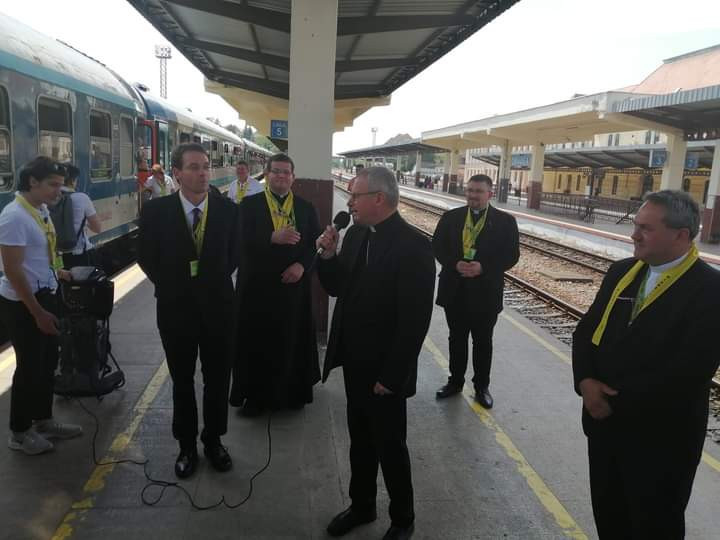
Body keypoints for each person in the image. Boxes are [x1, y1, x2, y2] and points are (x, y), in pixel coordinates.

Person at [572, 190, 720, 539]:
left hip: (660, 440)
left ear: (681, 235)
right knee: (610, 517)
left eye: (646, 229)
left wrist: (610, 402)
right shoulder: (623, 271)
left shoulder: (710, 290)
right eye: (636, 225)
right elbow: (586, 331)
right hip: (604, 428)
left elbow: (689, 371)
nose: (633, 235)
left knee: (655, 525)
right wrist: (586, 382)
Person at [316, 166, 435, 540]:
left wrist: (392, 375)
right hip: (355, 360)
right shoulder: (355, 236)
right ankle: (362, 505)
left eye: (356, 195)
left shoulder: (414, 247)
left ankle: (402, 518)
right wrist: (328, 256)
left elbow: (414, 322)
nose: (349, 202)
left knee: (390, 444)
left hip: (385, 370)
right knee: (360, 440)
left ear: (379, 199)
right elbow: (338, 288)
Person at [138, 143, 240, 479]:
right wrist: (173, 285)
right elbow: (146, 256)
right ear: (177, 173)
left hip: (219, 308)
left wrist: (210, 282)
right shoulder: (156, 212)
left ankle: (214, 440)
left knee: (217, 379)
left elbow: (234, 255)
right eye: (194, 167)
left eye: (206, 166)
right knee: (182, 380)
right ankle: (186, 445)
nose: (203, 173)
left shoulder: (228, 211)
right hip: (175, 309)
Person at [0, 156, 82, 456]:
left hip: (46, 293)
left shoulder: (41, 209)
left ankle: (43, 420)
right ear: (32, 182)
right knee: (29, 367)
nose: (59, 191)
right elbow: (13, 271)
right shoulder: (14, 218)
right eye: (53, 185)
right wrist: (38, 313)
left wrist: (58, 272)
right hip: (24, 304)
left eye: (61, 185)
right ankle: (20, 432)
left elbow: (44, 253)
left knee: (47, 363)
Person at [229, 153, 320, 416]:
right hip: (257, 289)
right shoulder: (249, 206)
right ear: (267, 175)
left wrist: (302, 266)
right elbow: (238, 242)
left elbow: (315, 245)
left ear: (293, 177)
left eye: (286, 172)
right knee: (256, 343)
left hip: (293, 288)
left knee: (292, 341)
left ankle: (293, 393)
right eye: (276, 171)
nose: (281, 176)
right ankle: (256, 397)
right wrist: (270, 237)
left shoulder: (305, 207)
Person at [432, 174, 519, 408]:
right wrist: (454, 263)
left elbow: (511, 255)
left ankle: (482, 387)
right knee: (456, 338)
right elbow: (437, 246)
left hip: (486, 292)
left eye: (478, 191)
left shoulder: (505, 222)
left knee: (483, 341)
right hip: (455, 290)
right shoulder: (451, 218)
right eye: (470, 190)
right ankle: (455, 382)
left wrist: (484, 267)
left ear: (490, 194)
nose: (473, 195)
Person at [57, 164, 102, 268]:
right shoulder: (81, 198)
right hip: (79, 254)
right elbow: (97, 228)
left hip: (56, 256)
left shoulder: (48, 199)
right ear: (73, 181)